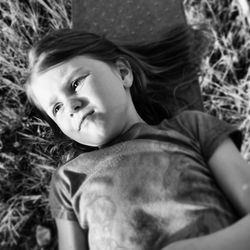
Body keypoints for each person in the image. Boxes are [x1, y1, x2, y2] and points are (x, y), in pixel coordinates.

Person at [25, 25, 250, 250]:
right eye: (56, 108)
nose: (71, 107)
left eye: (75, 84)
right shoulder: (68, 180)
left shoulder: (191, 128)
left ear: (123, 73)